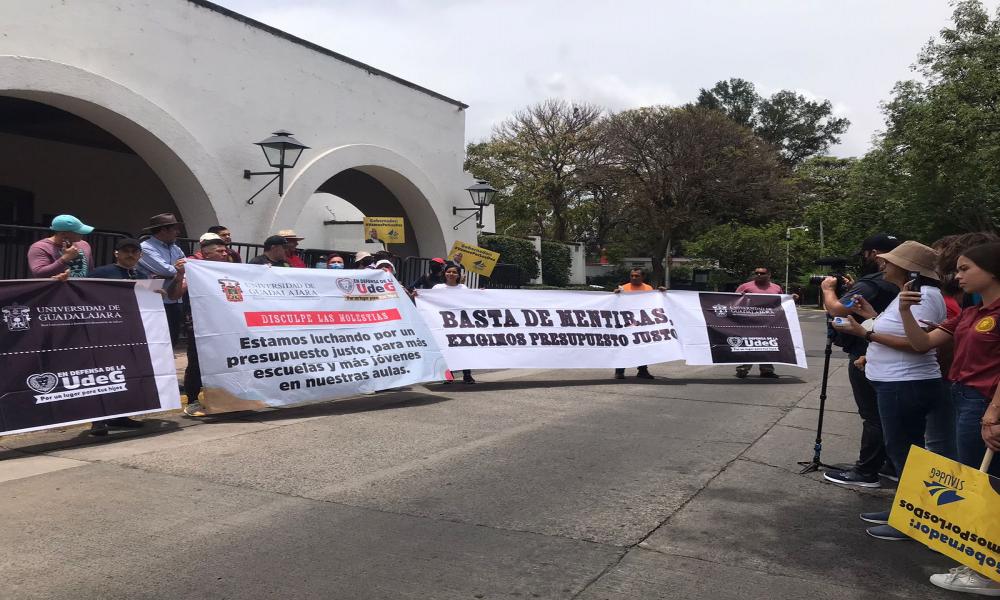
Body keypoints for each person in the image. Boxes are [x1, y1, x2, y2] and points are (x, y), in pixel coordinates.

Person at [890, 242, 1000, 595]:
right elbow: (922, 343)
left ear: (993, 270)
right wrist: (907, 312)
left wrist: (994, 412)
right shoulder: (970, 312)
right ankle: (980, 560)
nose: (958, 276)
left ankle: (986, 573)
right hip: (962, 397)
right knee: (972, 479)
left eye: (966, 268)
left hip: (985, 404)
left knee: (986, 485)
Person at [830, 241, 952, 542]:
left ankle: (913, 520)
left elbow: (916, 344)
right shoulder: (910, 295)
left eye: (890, 261)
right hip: (896, 382)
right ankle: (904, 508)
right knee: (902, 450)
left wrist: (863, 332)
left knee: (905, 452)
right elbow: (900, 331)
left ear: (908, 269)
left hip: (905, 384)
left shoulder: (921, 297)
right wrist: (870, 315)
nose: (882, 264)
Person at [820, 233, 902, 487]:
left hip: (866, 351)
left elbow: (837, 309)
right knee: (887, 414)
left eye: (866, 254)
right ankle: (889, 464)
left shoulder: (873, 282)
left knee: (873, 415)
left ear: (875, 254)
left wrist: (827, 290)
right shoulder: (902, 282)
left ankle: (866, 471)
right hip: (888, 351)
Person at [87, 238, 184, 435]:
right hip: (105, 334)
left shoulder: (141, 275)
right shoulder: (101, 273)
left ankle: (120, 415)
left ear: (140, 255)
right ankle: (98, 420)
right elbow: (85, 294)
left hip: (131, 333)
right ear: (116, 253)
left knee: (127, 375)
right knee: (103, 376)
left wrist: (155, 293)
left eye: (134, 251)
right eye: (125, 251)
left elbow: (158, 299)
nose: (130, 255)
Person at [181, 236, 232, 417]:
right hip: (198, 321)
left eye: (225, 250)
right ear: (206, 253)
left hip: (223, 321)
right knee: (196, 360)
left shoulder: (229, 269)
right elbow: (179, 291)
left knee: (223, 358)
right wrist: (183, 274)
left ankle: (223, 397)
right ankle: (193, 400)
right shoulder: (193, 268)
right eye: (220, 251)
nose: (225, 253)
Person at [138, 213, 187, 346]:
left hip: (176, 299)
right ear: (164, 230)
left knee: (172, 338)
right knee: (155, 340)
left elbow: (187, 269)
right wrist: (177, 272)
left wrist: (176, 272)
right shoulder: (146, 247)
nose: (177, 232)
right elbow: (166, 270)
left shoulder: (176, 248)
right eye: (175, 229)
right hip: (154, 299)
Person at [613, 268, 666, 380]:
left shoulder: (648, 288)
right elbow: (615, 303)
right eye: (632, 275)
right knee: (624, 346)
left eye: (637, 276)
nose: (634, 278)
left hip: (642, 323)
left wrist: (662, 293)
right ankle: (619, 371)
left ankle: (642, 371)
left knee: (642, 347)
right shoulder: (623, 288)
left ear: (643, 277)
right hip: (626, 323)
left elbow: (653, 303)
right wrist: (615, 294)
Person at [734, 267, 786, 379]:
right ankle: (743, 369)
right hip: (749, 322)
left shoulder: (776, 288)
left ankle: (767, 370)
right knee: (749, 345)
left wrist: (792, 299)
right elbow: (734, 301)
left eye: (762, 273)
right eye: (756, 273)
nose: (758, 275)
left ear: (769, 275)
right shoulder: (745, 287)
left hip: (769, 322)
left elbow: (781, 302)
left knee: (767, 345)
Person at [433, 262, 475, 384]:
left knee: (463, 348)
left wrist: (481, 294)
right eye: (449, 271)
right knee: (445, 348)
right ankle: (448, 374)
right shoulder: (437, 288)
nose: (451, 274)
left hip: (460, 323)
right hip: (442, 323)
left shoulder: (463, 288)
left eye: (454, 272)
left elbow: (471, 302)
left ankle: (467, 374)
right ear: (444, 273)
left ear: (458, 275)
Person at [27, 214, 95, 279]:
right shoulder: (40, 247)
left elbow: (91, 272)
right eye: (78, 232)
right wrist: (64, 259)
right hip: (56, 290)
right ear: (63, 234)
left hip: (80, 289)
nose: (82, 234)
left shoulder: (84, 245)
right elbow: (39, 273)